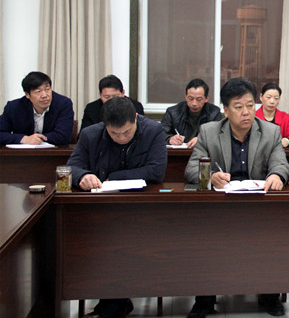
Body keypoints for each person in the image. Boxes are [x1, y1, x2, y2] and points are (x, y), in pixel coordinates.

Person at [184, 77, 289, 317]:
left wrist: (276, 175)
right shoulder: (209, 131)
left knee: (274, 235)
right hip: (220, 208)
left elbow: (281, 164)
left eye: (250, 105)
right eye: (238, 106)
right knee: (204, 238)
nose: (246, 112)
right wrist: (210, 177)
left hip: (258, 207)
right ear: (225, 110)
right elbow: (191, 169)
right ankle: (204, 300)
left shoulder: (270, 131)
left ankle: (269, 297)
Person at [67, 96, 166, 318]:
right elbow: (72, 166)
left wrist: (112, 177)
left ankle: (113, 304)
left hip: (142, 209)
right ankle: (114, 302)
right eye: (114, 133)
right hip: (102, 210)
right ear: (105, 126)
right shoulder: (90, 134)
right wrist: (83, 176)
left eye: (127, 132)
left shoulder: (153, 131)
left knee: (126, 244)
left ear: (136, 119)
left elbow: (156, 171)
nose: (121, 138)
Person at [0, 71, 74, 146]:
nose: (44, 95)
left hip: (54, 151)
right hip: (23, 152)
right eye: (38, 91)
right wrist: (24, 139)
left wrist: (38, 139)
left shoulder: (63, 104)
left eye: (47, 89)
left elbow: (63, 136)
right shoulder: (14, 107)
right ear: (27, 95)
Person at [161, 78, 222, 149]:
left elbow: (218, 136)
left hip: (204, 153)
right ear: (186, 97)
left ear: (206, 98)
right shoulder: (173, 112)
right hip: (179, 153)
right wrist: (169, 139)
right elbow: (160, 134)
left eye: (199, 99)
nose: (194, 103)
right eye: (190, 98)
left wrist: (202, 140)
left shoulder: (214, 113)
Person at [80, 74, 144, 131]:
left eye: (115, 96)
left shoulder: (135, 106)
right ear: (100, 94)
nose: (111, 100)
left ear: (123, 93)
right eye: (107, 97)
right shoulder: (91, 109)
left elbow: (142, 132)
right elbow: (84, 135)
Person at [255, 82, 289, 148]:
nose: (272, 101)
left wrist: (287, 141)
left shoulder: (285, 117)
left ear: (279, 99)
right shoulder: (253, 117)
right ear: (261, 97)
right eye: (268, 97)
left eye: (276, 98)